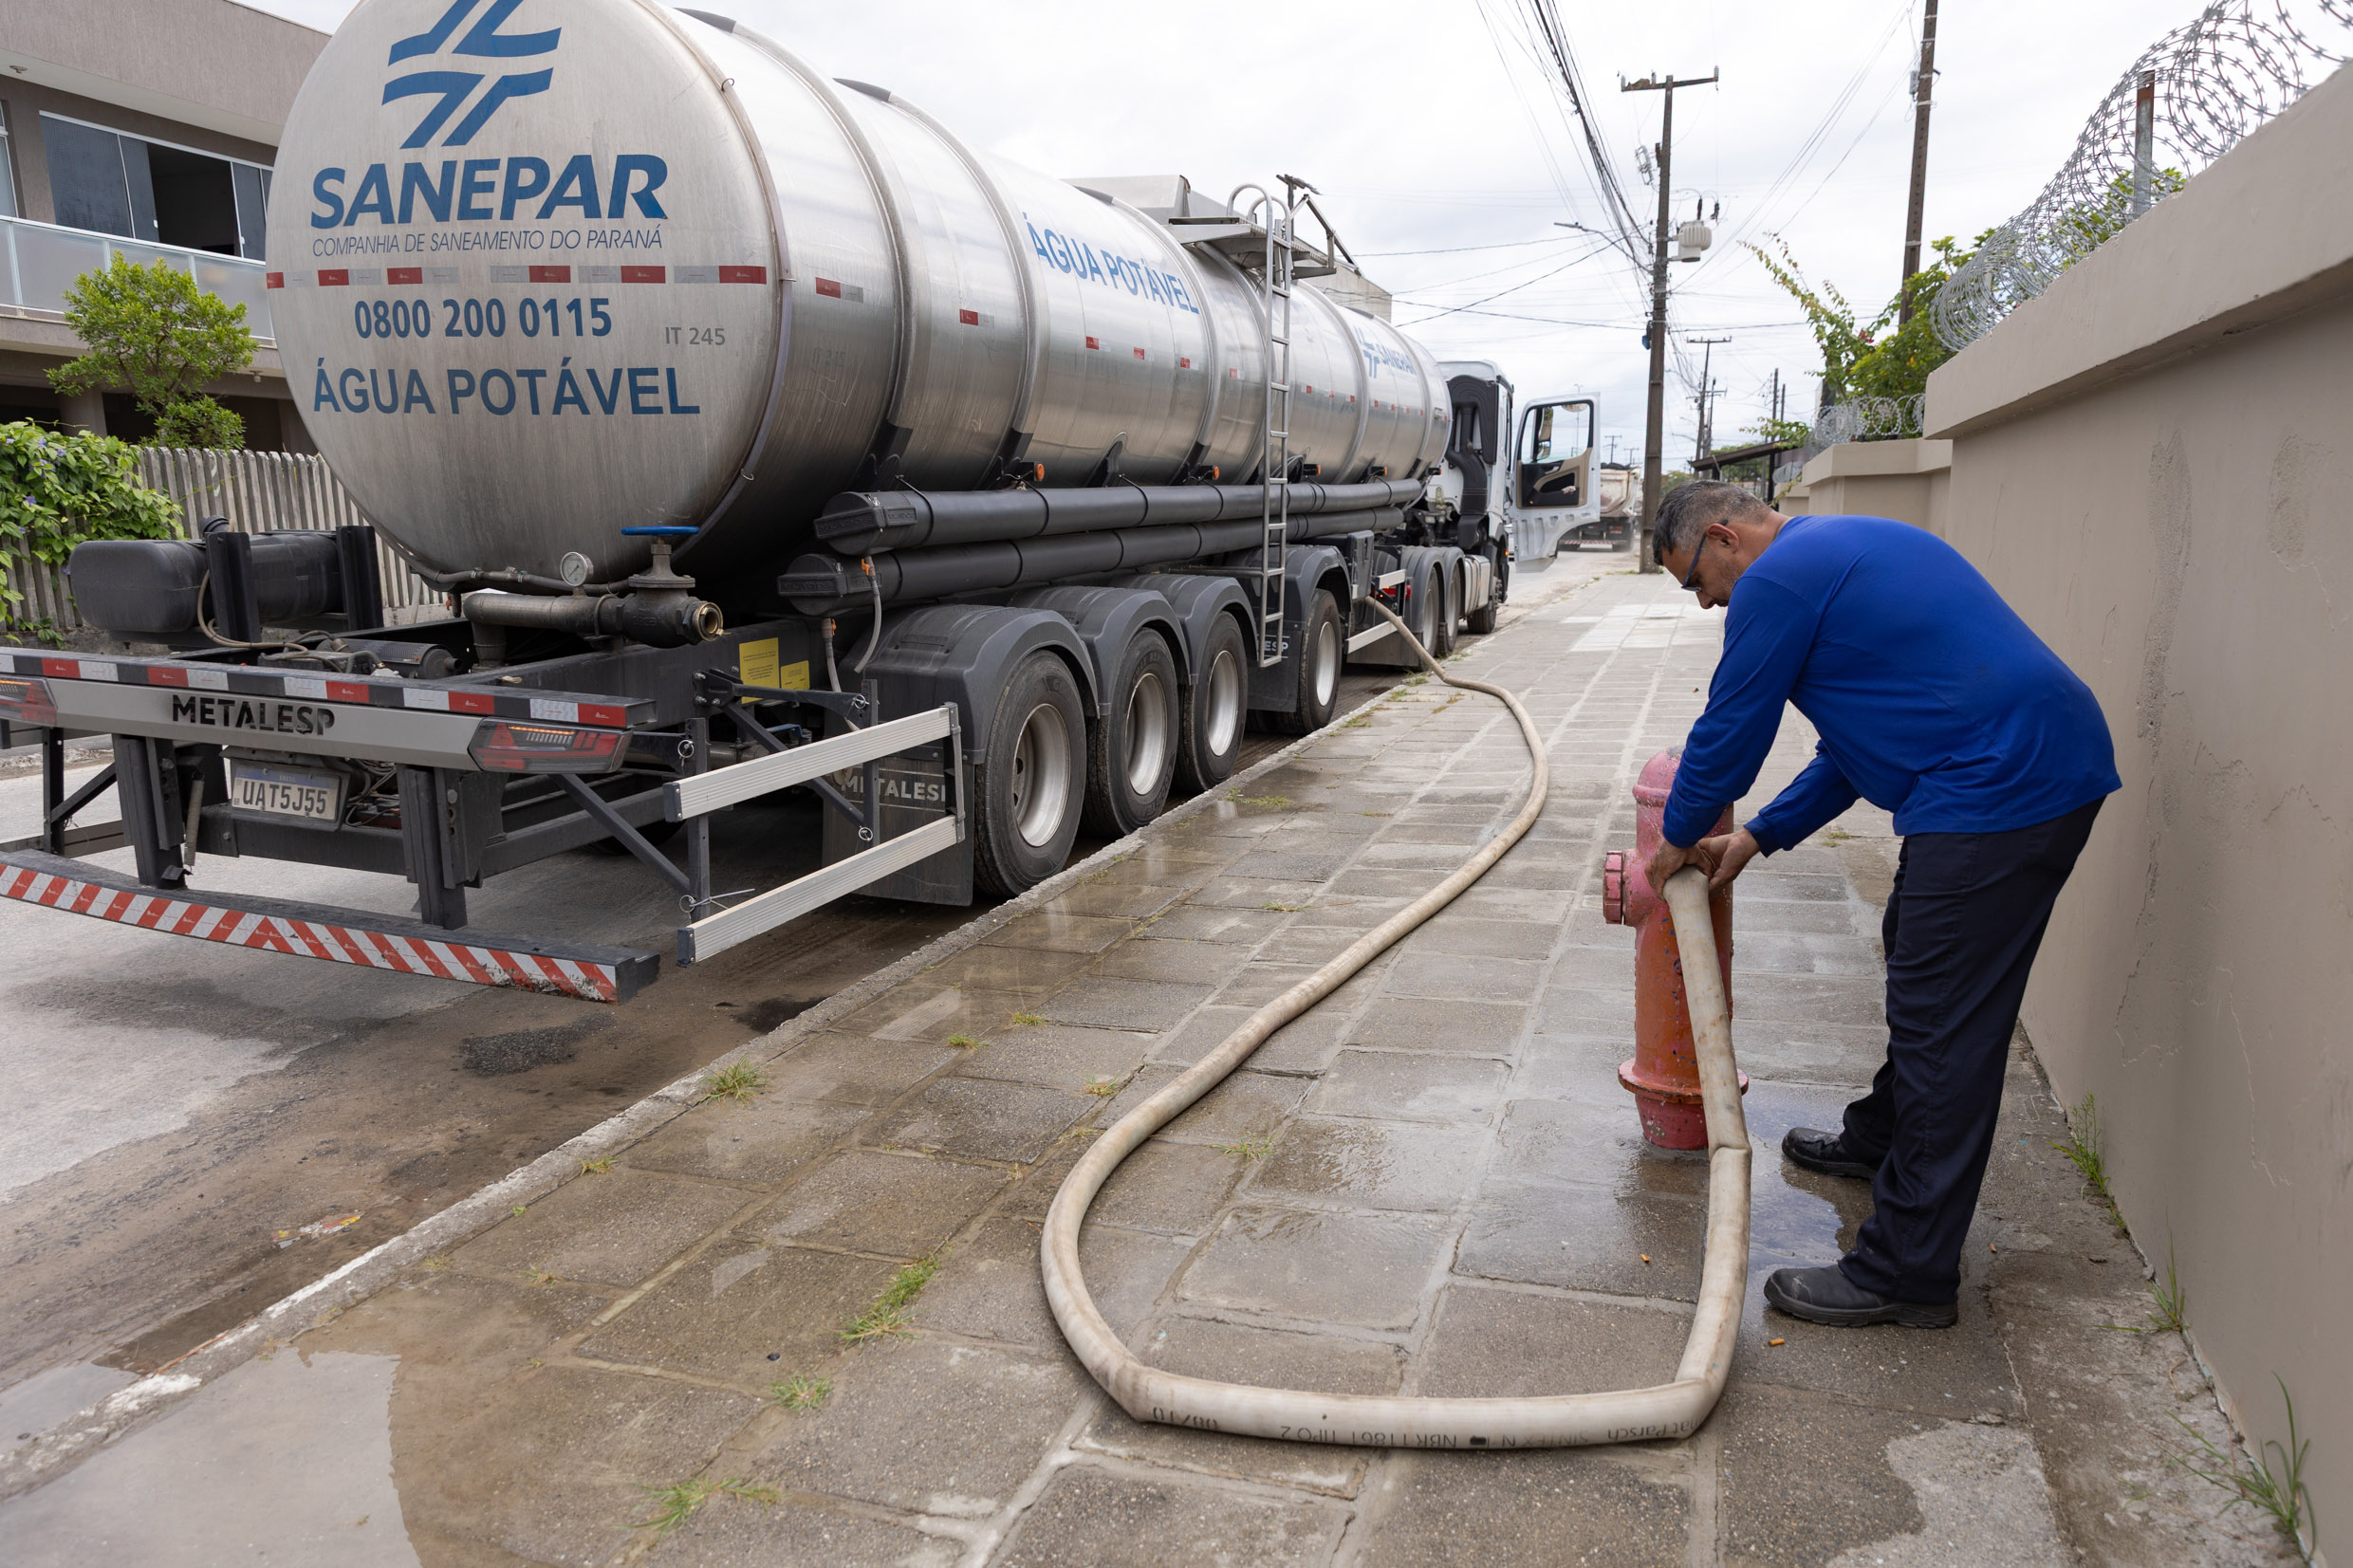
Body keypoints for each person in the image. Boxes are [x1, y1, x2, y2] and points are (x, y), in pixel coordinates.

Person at [1643, 482, 2119, 1329]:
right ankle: (1882, 1137)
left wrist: (1675, 837)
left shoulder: (1776, 580)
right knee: (1920, 949)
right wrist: (1756, 837)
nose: (1710, 600)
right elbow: (1853, 750)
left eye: (1697, 582)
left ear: (1723, 536)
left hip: (2000, 783)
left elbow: (1731, 726)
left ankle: (1907, 1269)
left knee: (1943, 1022)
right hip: (2022, 765)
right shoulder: (1838, 547)